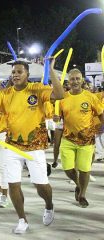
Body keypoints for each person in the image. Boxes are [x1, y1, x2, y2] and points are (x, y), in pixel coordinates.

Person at [0, 59, 64, 234]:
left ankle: (49, 205)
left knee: (41, 185)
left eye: (19, 72)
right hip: (12, 146)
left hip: (35, 147)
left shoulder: (38, 89)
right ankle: (22, 220)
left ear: (27, 74)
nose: (15, 75)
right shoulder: (5, 94)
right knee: (13, 184)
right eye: (14, 72)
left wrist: (52, 70)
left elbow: (60, 94)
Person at [58, 68, 104, 208]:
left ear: (82, 80)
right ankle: (78, 183)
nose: (75, 81)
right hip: (68, 139)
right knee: (68, 169)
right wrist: (55, 117)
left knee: (85, 170)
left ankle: (82, 194)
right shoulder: (63, 98)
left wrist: (96, 128)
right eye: (72, 79)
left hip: (86, 141)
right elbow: (58, 118)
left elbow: (101, 115)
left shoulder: (90, 97)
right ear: (68, 81)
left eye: (78, 78)